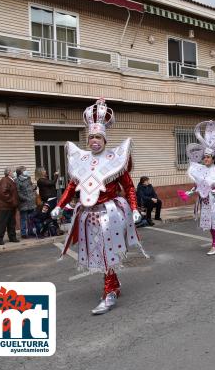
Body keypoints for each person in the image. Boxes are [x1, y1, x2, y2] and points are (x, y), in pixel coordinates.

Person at [51, 98, 146, 315]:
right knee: (99, 253)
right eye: (91, 136)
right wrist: (60, 205)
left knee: (106, 253)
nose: (94, 140)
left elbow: (130, 187)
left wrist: (134, 208)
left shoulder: (115, 159)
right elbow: (71, 186)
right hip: (88, 215)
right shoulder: (82, 161)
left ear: (105, 138)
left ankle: (110, 292)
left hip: (110, 215)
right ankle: (114, 285)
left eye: (98, 136)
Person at [181, 120, 215, 255]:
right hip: (204, 201)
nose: (205, 159)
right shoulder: (201, 169)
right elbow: (198, 185)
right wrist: (189, 193)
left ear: (213, 158)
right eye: (204, 157)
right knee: (208, 223)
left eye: (208, 157)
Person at [0, 167, 20, 245]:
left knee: (11, 223)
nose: (14, 173)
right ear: (9, 173)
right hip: (5, 206)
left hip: (10, 206)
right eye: (13, 171)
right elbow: (3, 193)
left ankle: (12, 237)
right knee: (3, 223)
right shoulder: (4, 180)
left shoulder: (11, 180)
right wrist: (12, 201)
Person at [15, 166, 37, 238]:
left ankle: (31, 231)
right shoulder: (17, 180)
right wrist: (25, 198)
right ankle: (23, 233)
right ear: (20, 172)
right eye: (25, 170)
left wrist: (34, 188)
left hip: (31, 202)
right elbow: (18, 193)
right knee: (23, 218)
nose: (26, 171)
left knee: (31, 218)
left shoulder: (28, 178)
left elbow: (31, 187)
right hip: (24, 203)